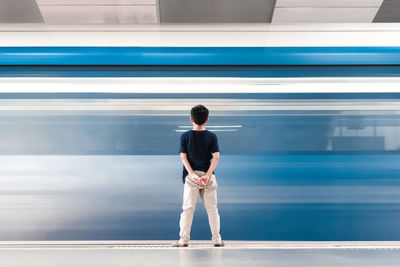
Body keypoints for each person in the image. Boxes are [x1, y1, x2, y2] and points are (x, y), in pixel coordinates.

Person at [172, 104, 224, 247]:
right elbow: (216, 157)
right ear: (207, 120)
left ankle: (183, 241)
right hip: (208, 178)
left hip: (191, 178)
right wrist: (207, 175)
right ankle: (217, 240)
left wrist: (193, 175)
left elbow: (183, 157)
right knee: (212, 210)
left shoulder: (185, 136)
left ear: (191, 119)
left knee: (187, 210)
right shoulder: (212, 136)